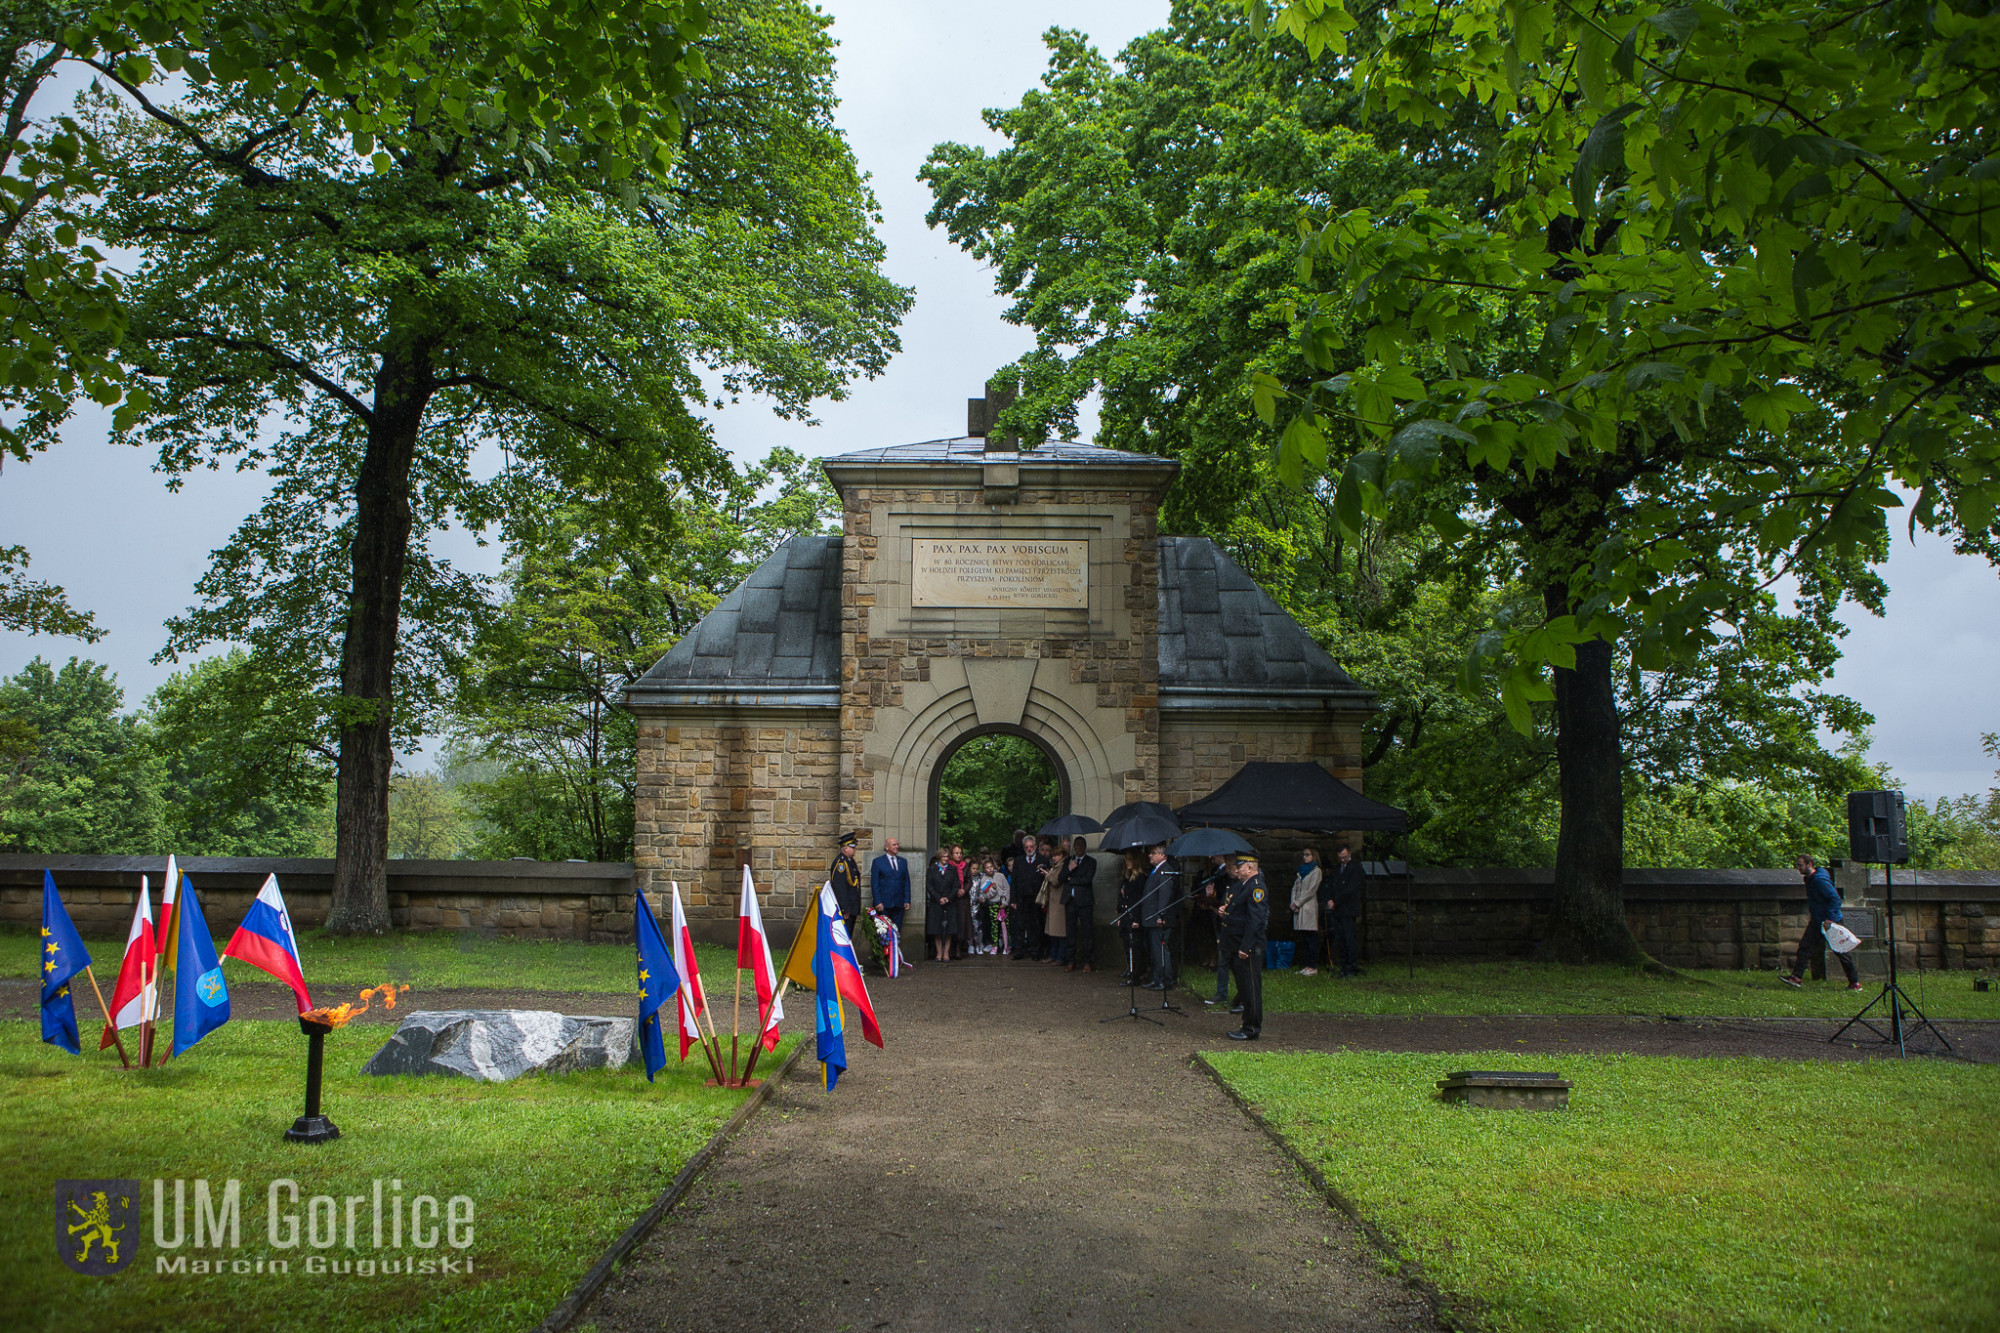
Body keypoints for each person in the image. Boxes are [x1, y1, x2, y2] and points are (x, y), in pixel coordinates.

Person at [1784, 853, 1861, 990]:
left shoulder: (1819, 880)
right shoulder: (1809, 879)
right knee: (1805, 947)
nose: (1798, 868)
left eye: (1800, 865)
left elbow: (1835, 899)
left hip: (1830, 921)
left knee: (1841, 951)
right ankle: (1796, 977)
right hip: (1818, 919)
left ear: (1809, 864)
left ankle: (1854, 983)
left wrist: (1830, 919)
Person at [1219, 854, 1269, 1040]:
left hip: (1248, 947)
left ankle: (1252, 1027)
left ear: (1249, 868)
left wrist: (1245, 947)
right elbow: (1239, 912)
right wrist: (1226, 911)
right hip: (1235, 944)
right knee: (1244, 987)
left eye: (1239, 867)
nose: (1236, 870)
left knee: (1251, 988)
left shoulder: (1256, 887)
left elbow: (1255, 921)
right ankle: (1247, 1023)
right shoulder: (1242, 886)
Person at [1137, 844, 1180, 991]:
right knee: (1155, 951)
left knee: (1161, 950)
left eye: (1153, 853)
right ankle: (1157, 978)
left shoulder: (1165, 871)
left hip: (1159, 919)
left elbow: (1165, 895)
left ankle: (1164, 980)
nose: (1150, 855)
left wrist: (1161, 915)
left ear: (1162, 855)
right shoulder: (1156, 870)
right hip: (1152, 918)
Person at [1195, 855, 1233, 1006]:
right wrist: (1210, 901)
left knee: (1238, 964)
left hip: (1236, 927)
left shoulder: (1245, 885)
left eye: (1232, 867)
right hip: (1223, 923)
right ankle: (1222, 992)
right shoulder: (1226, 879)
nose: (1229, 870)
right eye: (1229, 867)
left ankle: (1244, 997)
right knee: (1223, 959)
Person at [1063, 835, 1098, 972]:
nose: (1079, 848)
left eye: (1081, 845)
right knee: (1070, 933)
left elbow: (1087, 879)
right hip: (1070, 901)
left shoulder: (1091, 862)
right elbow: (1061, 877)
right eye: (1076, 845)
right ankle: (1071, 960)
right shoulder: (1068, 861)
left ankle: (1088, 961)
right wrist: (1069, 870)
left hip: (1084, 901)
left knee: (1087, 933)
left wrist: (1071, 879)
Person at [1329, 844, 1364, 978]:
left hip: (1348, 909)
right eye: (1340, 858)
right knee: (1341, 939)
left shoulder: (1356, 868)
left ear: (1349, 853)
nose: (1343, 860)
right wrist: (1331, 900)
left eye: (1345, 857)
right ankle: (1344, 966)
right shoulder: (1338, 869)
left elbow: (1350, 889)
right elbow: (1333, 885)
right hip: (1338, 910)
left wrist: (1336, 901)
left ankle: (1352, 966)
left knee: (1349, 939)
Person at [1008, 832, 1045, 960]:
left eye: (1031, 846)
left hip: (1036, 899)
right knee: (1019, 925)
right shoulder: (1018, 861)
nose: (1029, 849)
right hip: (1021, 898)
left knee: (1034, 926)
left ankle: (1035, 951)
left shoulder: (1043, 860)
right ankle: (1019, 950)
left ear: (1035, 847)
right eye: (1027, 847)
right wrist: (1012, 899)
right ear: (1024, 848)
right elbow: (1014, 882)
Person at [870, 837, 911, 950]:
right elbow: (875, 883)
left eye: (897, 844)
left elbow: (906, 881)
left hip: (899, 903)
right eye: (894, 845)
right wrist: (878, 901)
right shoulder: (878, 862)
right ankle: (884, 957)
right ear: (887, 847)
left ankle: (895, 956)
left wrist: (907, 899)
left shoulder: (902, 862)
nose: (897, 847)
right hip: (884, 904)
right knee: (884, 932)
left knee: (897, 930)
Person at [1117, 849, 1148, 983]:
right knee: (1126, 944)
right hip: (1125, 914)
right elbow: (1122, 897)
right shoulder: (1126, 877)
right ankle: (1130, 969)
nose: (1127, 862)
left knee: (1135, 946)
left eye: (1130, 860)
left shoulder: (1140, 878)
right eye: (1126, 860)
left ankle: (1136, 973)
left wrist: (1136, 919)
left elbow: (1138, 900)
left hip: (1134, 914)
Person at [1291, 847, 1323, 976]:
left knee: (1310, 938)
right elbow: (1295, 888)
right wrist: (1293, 902)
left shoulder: (1316, 871)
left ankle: (1312, 966)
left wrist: (1299, 902)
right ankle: (1306, 965)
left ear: (1313, 856)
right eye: (1304, 855)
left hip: (1308, 907)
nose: (1305, 857)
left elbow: (1311, 890)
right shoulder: (1300, 872)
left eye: (1308, 855)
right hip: (1299, 907)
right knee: (1304, 938)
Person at [829, 831, 865, 938]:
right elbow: (840, 887)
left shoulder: (850, 861)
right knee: (844, 935)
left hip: (852, 906)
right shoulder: (841, 863)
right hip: (847, 908)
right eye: (852, 847)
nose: (855, 849)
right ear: (845, 848)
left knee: (849, 935)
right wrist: (844, 908)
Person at [925, 850, 958, 963]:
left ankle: (946, 953)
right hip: (936, 902)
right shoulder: (932, 869)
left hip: (950, 902)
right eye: (943, 856)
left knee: (949, 929)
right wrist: (938, 898)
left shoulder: (953, 870)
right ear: (939, 857)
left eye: (947, 856)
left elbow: (956, 885)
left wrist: (948, 898)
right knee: (936, 928)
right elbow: (929, 885)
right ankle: (939, 953)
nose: (945, 858)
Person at [972, 852, 1007, 955]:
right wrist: (994, 889)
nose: (990, 869)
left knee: (1005, 926)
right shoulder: (984, 880)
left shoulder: (1000, 876)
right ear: (984, 869)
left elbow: (1006, 889)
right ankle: (994, 945)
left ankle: (1006, 945)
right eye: (987, 867)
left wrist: (1005, 902)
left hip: (1003, 904)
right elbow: (986, 895)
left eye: (991, 867)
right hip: (992, 904)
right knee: (994, 926)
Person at [1040, 837, 1067, 963]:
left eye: (1057, 855)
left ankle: (1059, 956)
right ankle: (1054, 955)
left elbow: (1056, 881)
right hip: (1054, 902)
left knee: (1059, 932)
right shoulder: (1056, 866)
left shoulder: (1062, 866)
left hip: (1059, 902)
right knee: (1053, 932)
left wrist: (1047, 874)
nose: (1054, 857)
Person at [948, 843, 972, 959]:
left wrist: (964, 890)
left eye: (960, 853)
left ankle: (958, 947)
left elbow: (969, 881)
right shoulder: (948, 866)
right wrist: (955, 891)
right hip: (952, 899)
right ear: (952, 854)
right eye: (956, 853)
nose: (958, 855)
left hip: (963, 899)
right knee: (952, 922)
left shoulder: (966, 866)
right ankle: (950, 948)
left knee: (962, 923)